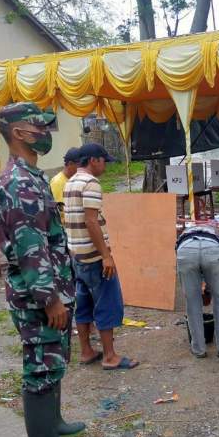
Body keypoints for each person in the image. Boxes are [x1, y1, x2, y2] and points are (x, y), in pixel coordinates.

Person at [0, 102, 88, 437]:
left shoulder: (31, 177)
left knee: (53, 361)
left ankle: (54, 423)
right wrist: (50, 300)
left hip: (48, 292)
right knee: (40, 365)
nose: (45, 133)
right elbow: (30, 249)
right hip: (37, 299)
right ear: (18, 133)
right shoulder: (19, 184)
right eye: (39, 127)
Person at [64, 143, 139, 371]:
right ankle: (109, 356)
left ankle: (87, 351)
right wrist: (106, 256)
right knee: (107, 303)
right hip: (94, 257)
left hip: (77, 254)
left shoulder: (70, 182)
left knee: (84, 304)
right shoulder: (91, 183)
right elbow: (91, 221)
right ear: (94, 160)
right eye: (104, 160)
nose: (105, 165)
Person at [176, 224, 219, 358]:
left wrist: (202, 285)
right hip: (213, 251)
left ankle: (198, 350)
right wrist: (210, 288)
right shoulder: (217, 235)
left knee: (192, 302)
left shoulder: (184, 234)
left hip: (185, 251)